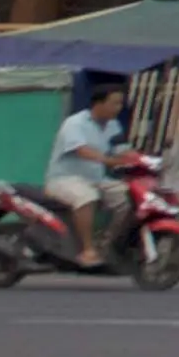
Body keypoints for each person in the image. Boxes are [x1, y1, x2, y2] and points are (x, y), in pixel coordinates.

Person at [44, 77, 129, 262]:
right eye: (115, 103)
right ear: (99, 103)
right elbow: (81, 150)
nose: (119, 107)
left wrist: (142, 160)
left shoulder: (113, 125)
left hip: (97, 180)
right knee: (87, 197)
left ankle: (107, 243)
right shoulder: (75, 123)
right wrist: (108, 160)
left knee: (128, 197)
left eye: (121, 103)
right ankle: (87, 250)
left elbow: (123, 150)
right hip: (64, 180)